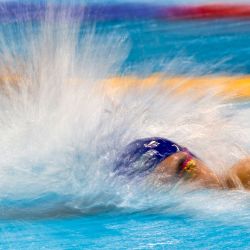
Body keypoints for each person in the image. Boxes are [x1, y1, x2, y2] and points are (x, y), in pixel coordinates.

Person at [114, 137, 250, 190]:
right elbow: (180, 160)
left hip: (161, 151)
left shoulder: (209, 180)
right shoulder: (206, 179)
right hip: (155, 155)